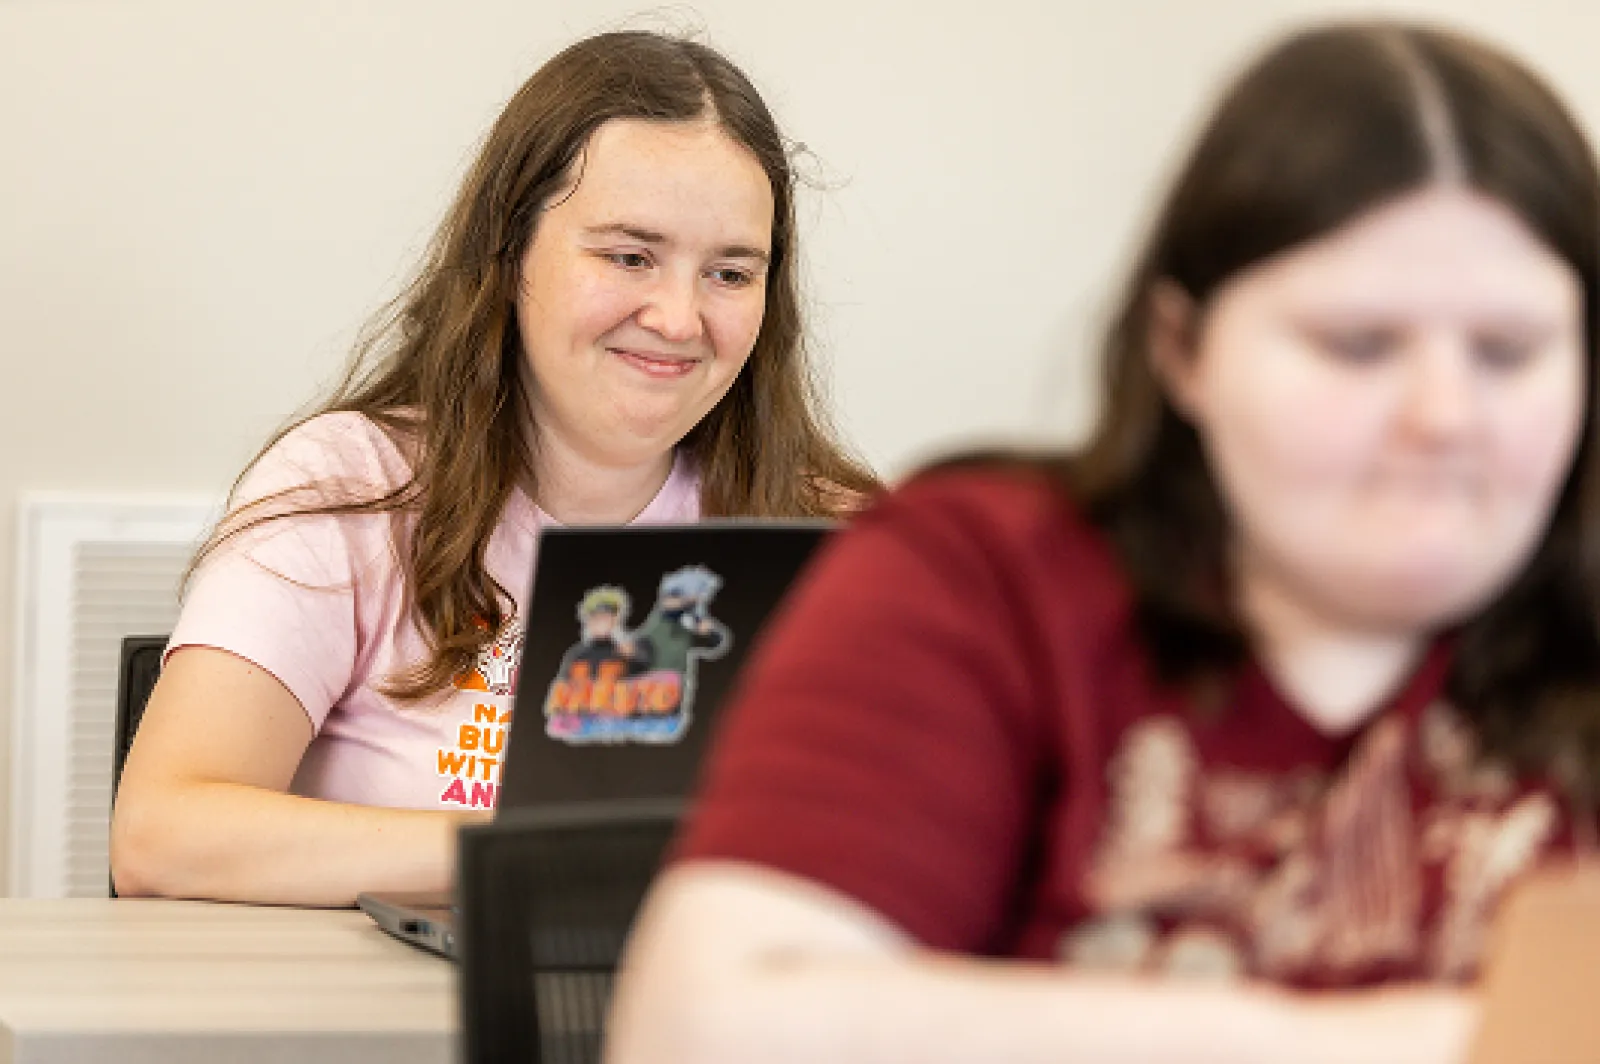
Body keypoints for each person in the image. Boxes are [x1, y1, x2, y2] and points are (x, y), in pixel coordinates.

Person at [606, 20, 1600, 1064]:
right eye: (1356, 344)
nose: (1443, 415)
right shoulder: (981, 578)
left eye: (1510, 349)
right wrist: (1434, 1040)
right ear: (1183, 349)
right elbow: (703, 1027)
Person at [108, 30, 876, 907]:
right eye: (629, 256)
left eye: (731, 273)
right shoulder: (348, 489)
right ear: (509, 256)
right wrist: (546, 853)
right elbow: (160, 839)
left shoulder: (840, 533)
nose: (677, 317)